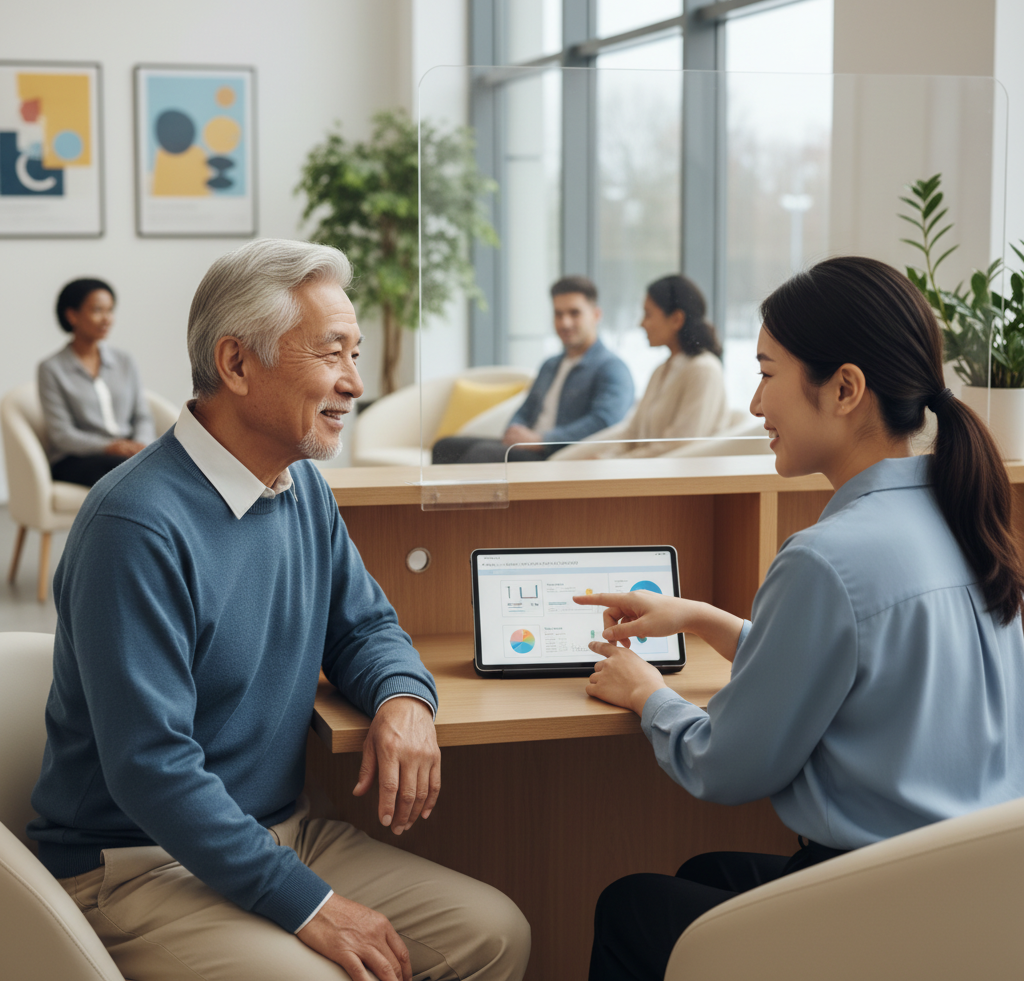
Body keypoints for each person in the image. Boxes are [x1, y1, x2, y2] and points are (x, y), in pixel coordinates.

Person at [29, 239, 530, 981]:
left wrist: (402, 697)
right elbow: (153, 768)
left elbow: (365, 628)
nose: (355, 383)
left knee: (494, 933)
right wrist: (307, 904)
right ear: (236, 364)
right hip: (134, 864)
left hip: (280, 834)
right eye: (333, 354)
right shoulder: (133, 525)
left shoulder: (302, 490)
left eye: (355, 353)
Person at [574, 256, 1024, 981]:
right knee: (705, 871)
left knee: (629, 905)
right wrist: (703, 619)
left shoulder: (825, 558)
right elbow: (859, 672)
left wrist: (644, 693)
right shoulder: (965, 520)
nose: (754, 405)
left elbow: (724, 765)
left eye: (766, 373)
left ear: (844, 388)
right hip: (976, 903)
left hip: (879, 915)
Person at [431, 275, 634, 463]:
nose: (565, 322)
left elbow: (604, 422)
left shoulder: (612, 368)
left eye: (574, 313)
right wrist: (515, 429)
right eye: (558, 314)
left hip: (556, 454)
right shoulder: (550, 365)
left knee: (483, 455)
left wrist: (542, 439)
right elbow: (526, 408)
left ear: (596, 315)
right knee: (445, 446)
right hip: (526, 446)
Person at [552, 275, 730, 460]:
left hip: (671, 479)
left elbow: (681, 445)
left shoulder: (704, 370)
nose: (641, 323)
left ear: (676, 319)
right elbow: (633, 432)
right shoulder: (662, 369)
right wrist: (606, 457)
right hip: (646, 472)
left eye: (648, 314)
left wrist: (615, 462)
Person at [37, 278, 156, 486]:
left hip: (127, 454)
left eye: (110, 310)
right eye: (97, 310)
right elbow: (62, 435)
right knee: (125, 470)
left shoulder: (124, 361)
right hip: (78, 459)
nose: (107, 319)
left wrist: (141, 445)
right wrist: (109, 446)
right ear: (72, 315)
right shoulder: (51, 368)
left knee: (164, 463)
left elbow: (142, 416)